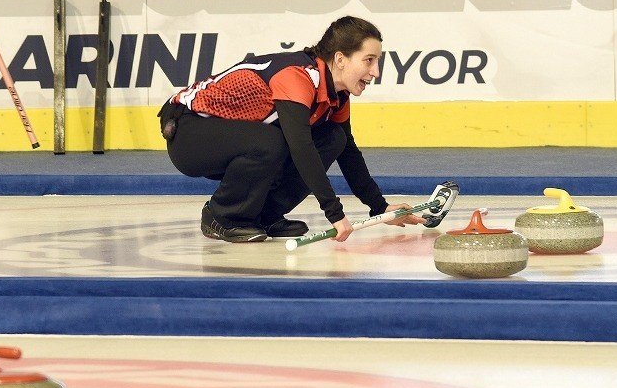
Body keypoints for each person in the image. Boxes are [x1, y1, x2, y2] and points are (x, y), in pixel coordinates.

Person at [159, 16, 425, 243]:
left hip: (231, 136)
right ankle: (221, 216)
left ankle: (264, 215)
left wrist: (380, 208)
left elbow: (348, 153)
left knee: (334, 138)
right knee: (273, 142)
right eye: (369, 60)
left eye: (377, 61)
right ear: (341, 59)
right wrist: (335, 213)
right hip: (188, 133)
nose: (375, 71)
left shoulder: (337, 94)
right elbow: (301, 147)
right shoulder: (297, 76)